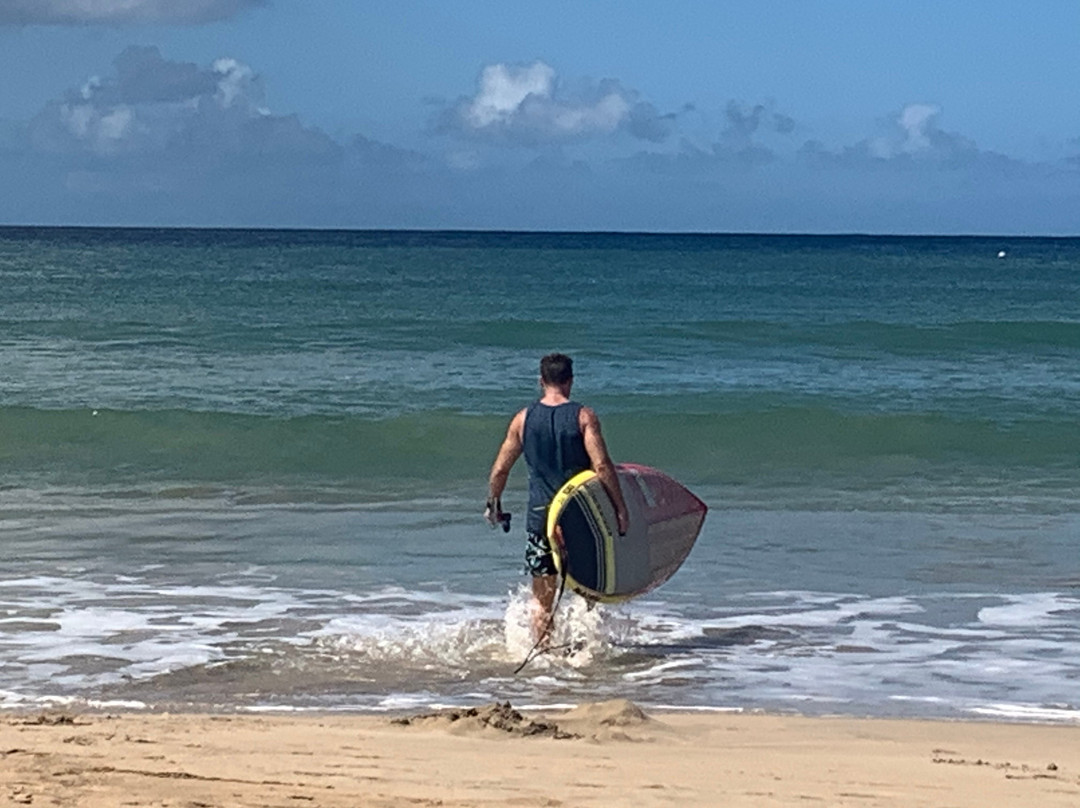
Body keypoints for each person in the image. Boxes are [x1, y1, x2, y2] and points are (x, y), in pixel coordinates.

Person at [486, 353, 629, 642]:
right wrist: (620, 508)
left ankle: (546, 659)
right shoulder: (583, 417)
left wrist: (495, 504)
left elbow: (500, 470)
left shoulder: (522, 419)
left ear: (541, 381)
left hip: (541, 522)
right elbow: (601, 466)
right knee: (591, 588)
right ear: (570, 381)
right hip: (583, 520)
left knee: (542, 599)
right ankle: (589, 653)